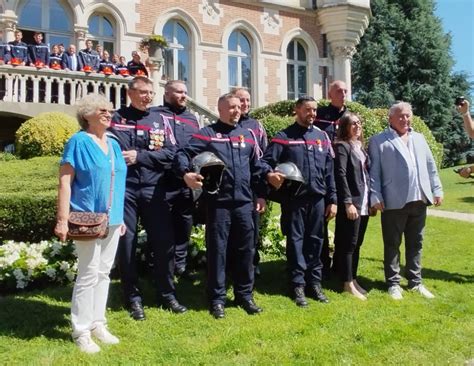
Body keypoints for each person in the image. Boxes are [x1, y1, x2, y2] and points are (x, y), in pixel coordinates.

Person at [174, 93, 268, 319]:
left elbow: (257, 166)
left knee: (246, 250)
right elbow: (183, 153)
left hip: (245, 203)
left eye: (239, 107)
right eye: (232, 107)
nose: (237, 110)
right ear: (221, 109)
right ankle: (216, 299)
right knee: (218, 251)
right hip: (219, 204)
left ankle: (245, 295)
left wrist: (262, 194)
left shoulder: (247, 134)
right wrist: (185, 173)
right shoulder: (207, 134)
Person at [54, 94, 127, 354]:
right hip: (86, 218)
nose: (109, 114)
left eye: (110, 110)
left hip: (113, 219)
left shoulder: (114, 144)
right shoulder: (78, 141)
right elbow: (65, 181)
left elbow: (117, 181)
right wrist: (63, 219)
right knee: (87, 274)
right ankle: (81, 330)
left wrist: (119, 218)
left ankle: (98, 323)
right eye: (103, 110)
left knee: (104, 273)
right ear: (87, 115)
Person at [109, 76, 186, 320]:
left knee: (164, 242)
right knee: (127, 244)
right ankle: (132, 297)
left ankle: (167, 293)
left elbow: (172, 152)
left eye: (151, 93)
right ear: (130, 93)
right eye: (143, 92)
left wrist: (140, 156)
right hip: (126, 189)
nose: (148, 97)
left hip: (155, 188)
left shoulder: (160, 119)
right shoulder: (115, 119)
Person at [263, 96, 337, 307]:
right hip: (294, 200)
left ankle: (314, 282)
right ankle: (297, 284)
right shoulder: (284, 137)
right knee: (296, 242)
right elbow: (266, 163)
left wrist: (332, 200)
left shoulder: (322, 137)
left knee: (316, 241)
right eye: (308, 110)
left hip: (318, 199)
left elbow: (329, 172)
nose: (312, 114)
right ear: (297, 110)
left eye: (314, 111)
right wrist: (271, 175)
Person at [369, 101, 443, 300]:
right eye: (400, 116)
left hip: (419, 199)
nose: (405, 119)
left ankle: (415, 282)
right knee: (392, 244)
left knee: (416, 243)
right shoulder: (379, 141)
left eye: (408, 115)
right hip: (393, 201)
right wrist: (375, 196)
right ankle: (393, 283)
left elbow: (430, 166)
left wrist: (437, 190)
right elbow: (374, 172)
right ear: (390, 118)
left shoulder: (419, 138)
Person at [152, 80, 200, 279]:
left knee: (184, 224)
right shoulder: (153, 115)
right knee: (161, 227)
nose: (183, 96)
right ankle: (160, 266)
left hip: (185, 181)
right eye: (179, 92)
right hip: (161, 180)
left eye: (185, 92)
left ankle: (180, 265)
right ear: (167, 93)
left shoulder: (192, 119)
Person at [332, 113, 371, 300]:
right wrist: (347, 203)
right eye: (352, 123)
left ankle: (353, 279)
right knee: (348, 244)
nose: (357, 126)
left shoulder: (360, 148)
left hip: (363, 203)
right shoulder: (342, 146)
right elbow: (340, 176)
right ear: (345, 127)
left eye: (358, 123)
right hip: (352, 203)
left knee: (357, 244)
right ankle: (347, 283)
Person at [232, 87, 268, 275]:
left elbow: (263, 159)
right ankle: (231, 266)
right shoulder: (224, 124)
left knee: (252, 229)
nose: (245, 104)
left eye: (247, 100)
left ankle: (252, 265)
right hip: (231, 188)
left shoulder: (256, 126)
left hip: (252, 186)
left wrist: (262, 193)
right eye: (241, 100)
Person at [316, 80, 348, 276]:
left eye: (345, 91)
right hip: (325, 174)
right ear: (330, 94)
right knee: (322, 219)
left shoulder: (351, 117)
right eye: (339, 91)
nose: (343, 94)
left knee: (345, 220)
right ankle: (322, 263)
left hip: (346, 175)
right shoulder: (319, 116)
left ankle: (341, 264)